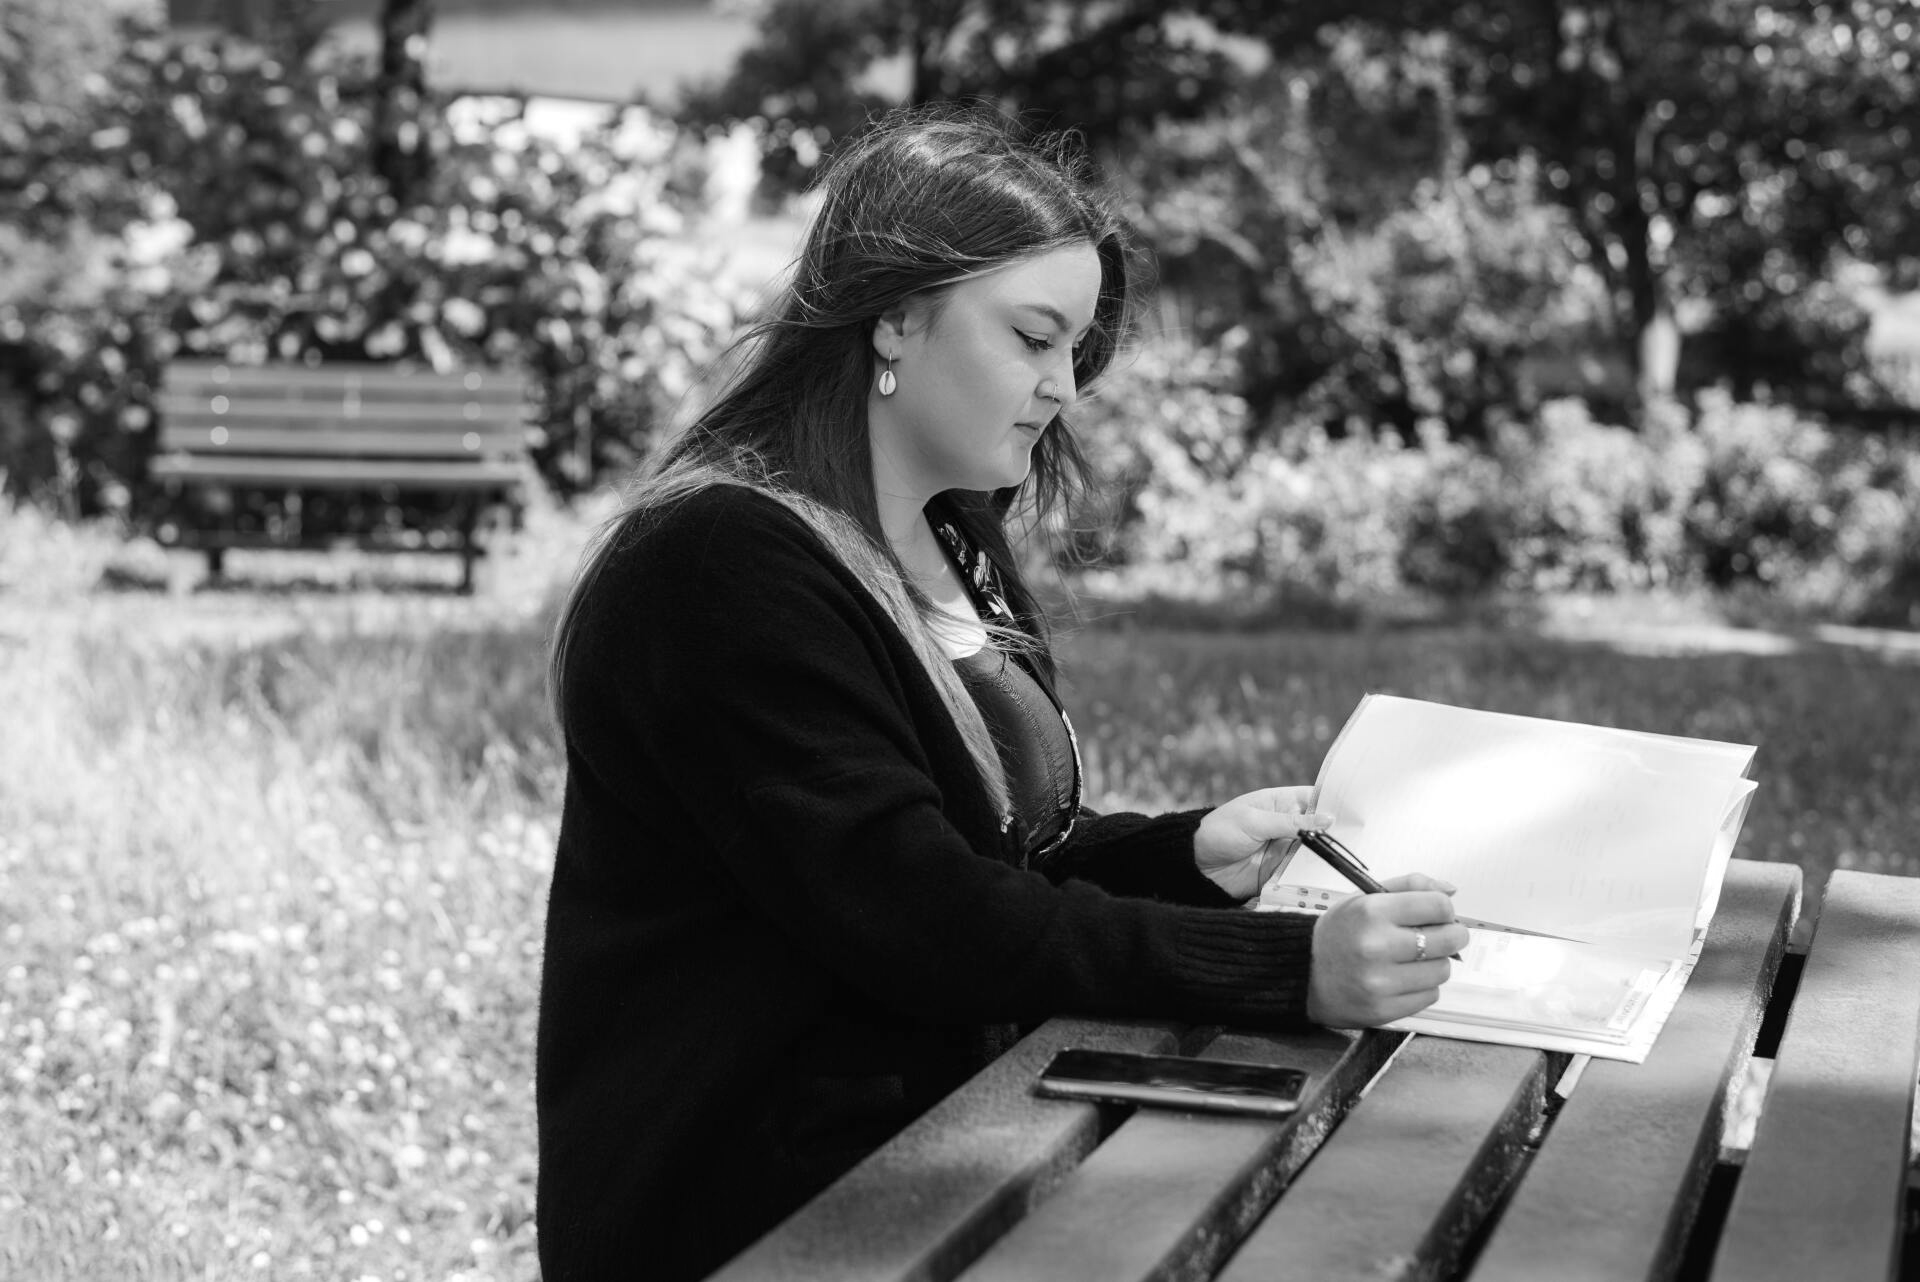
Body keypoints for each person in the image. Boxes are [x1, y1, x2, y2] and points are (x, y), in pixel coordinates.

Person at [535, 104, 1467, 1282]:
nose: (1064, 386)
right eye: (1033, 337)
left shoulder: (949, 537)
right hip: (769, 1213)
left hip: (966, 1137)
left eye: (1076, 349)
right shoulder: (720, 565)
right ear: (896, 315)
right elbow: (924, 919)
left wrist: (1185, 855)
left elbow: (997, 857)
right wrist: (1289, 968)